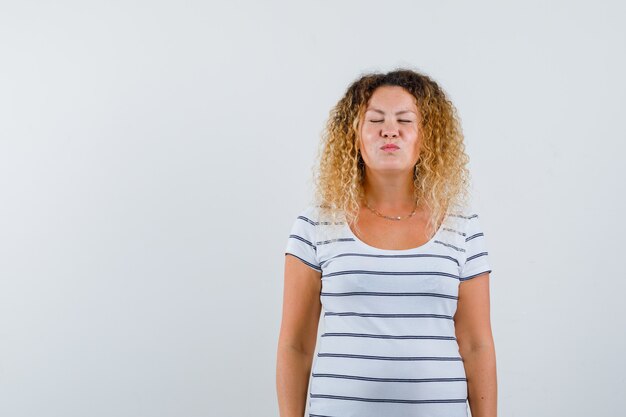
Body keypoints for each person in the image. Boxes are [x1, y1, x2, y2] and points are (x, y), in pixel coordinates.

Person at [276, 68, 497, 417]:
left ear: (427, 137)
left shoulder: (463, 226)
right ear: (354, 137)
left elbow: (476, 344)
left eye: (405, 120)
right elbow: (295, 345)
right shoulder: (316, 224)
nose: (389, 130)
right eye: (375, 119)